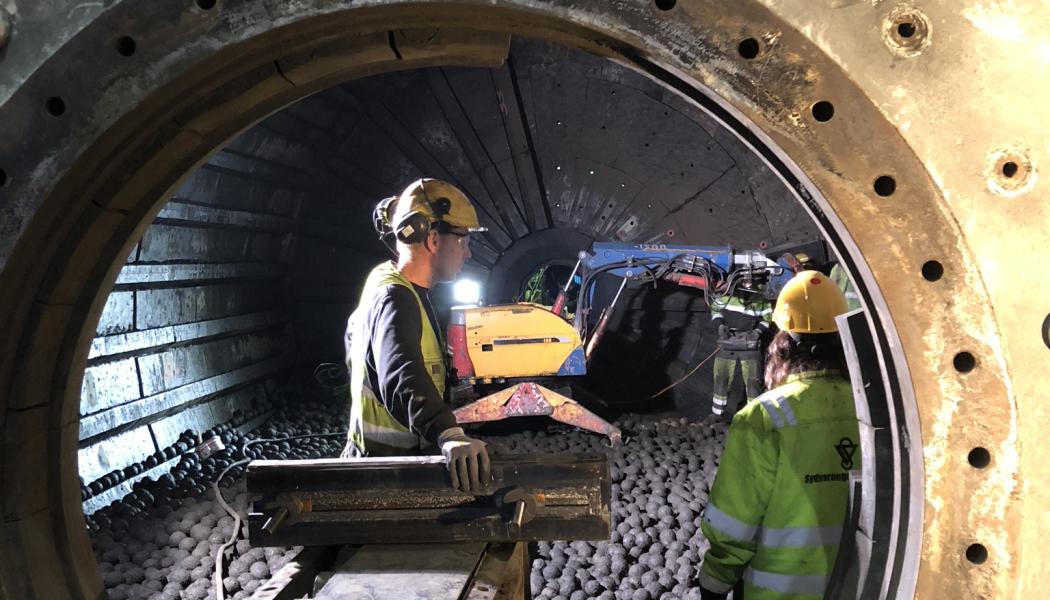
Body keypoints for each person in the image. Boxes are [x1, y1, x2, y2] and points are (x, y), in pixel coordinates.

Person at [696, 271, 860, 599]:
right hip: (858, 588)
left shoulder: (763, 418)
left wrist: (714, 584)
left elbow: (733, 526)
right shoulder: (868, 412)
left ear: (782, 341)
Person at [343, 178, 492, 494]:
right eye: (463, 240)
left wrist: (448, 397)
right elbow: (401, 373)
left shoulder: (396, 287)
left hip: (387, 468)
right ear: (433, 240)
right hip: (383, 478)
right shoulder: (394, 297)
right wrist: (448, 433)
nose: (467, 253)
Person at [709, 283, 773, 419]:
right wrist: (720, 325)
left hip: (750, 343)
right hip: (728, 341)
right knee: (721, 378)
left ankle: (754, 416)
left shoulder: (760, 299)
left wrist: (757, 331)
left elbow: (768, 318)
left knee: (753, 381)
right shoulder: (726, 296)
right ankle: (717, 415)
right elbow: (715, 310)